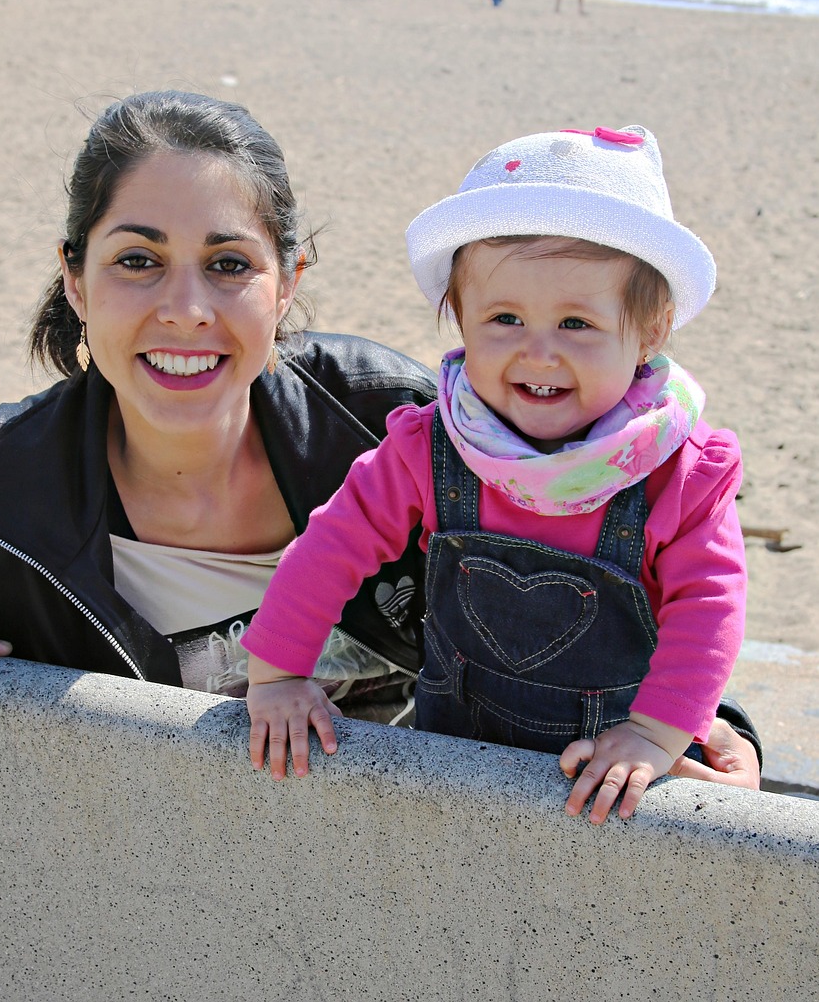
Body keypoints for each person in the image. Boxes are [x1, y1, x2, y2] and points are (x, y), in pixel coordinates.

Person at [0, 96, 758, 793]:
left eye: (229, 263)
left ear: (287, 282)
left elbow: (646, 577)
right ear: (75, 279)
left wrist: (722, 734)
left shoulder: (406, 421)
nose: (185, 308)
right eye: (138, 260)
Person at [244, 125, 749, 825]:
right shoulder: (432, 445)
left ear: (651, 331)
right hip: (454, 763)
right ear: (458, 317)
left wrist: (654, 735)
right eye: (503, 318)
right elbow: (331, 547)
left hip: (603, 775)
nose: (537, 353)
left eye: (575, 324)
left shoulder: (678, 473)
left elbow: (708, 610)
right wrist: (277, 676)